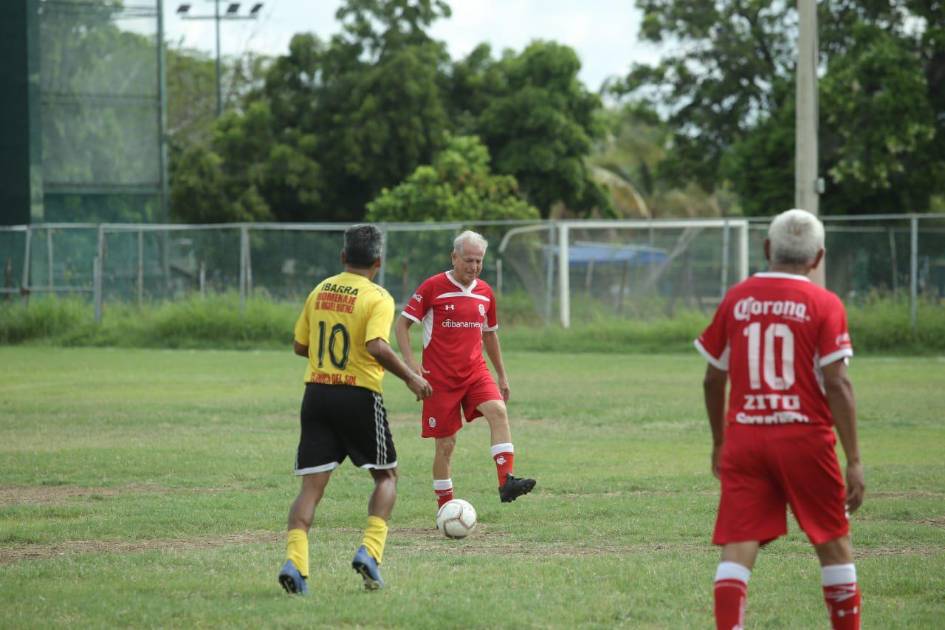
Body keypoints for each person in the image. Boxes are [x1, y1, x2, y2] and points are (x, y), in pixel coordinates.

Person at [695, 209, 865, 629]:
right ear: (818, 257)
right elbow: (837, 383)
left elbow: (713, 378)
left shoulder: (737, 298)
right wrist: (855, 459)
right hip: (806, 440)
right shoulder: (824, 303)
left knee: (739, 543)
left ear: (768, 248)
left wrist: (719, 441)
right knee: (833, 543)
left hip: (746, 439)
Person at [278, 224, 432, 595]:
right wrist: (411, 377)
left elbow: (300, 346)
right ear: (378, 262)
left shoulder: (320, 290)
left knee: (311, 488)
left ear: (343, 256)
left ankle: (295, 563)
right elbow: (377, 345)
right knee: (387, 476)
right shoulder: (378, 297)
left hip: (317, 393)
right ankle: (370, 553)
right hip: (358, 395)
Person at [395, 230, 536, 513]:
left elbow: (490, 334)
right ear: (454, 257)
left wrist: (502, 375)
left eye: (479, 261)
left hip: (475, 372)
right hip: (439, 380)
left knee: (498, 411)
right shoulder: (433, 287)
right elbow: (402, 325)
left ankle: (506, 482)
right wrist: (411, 366)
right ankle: (445, 508)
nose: (474, 266)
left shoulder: (485, 292)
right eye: (469, 260)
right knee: (446, 446)